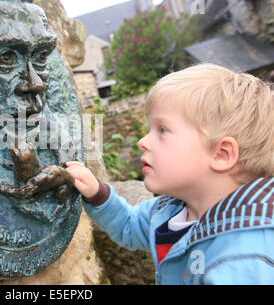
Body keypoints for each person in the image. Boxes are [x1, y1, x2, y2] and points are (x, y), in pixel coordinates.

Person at [66, 63, 274, 284]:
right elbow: (130, 225)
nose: (142, 142)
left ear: (221, 154)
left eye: (162, 130)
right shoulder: (172, 209)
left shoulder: (242, 261)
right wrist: (98, 194)